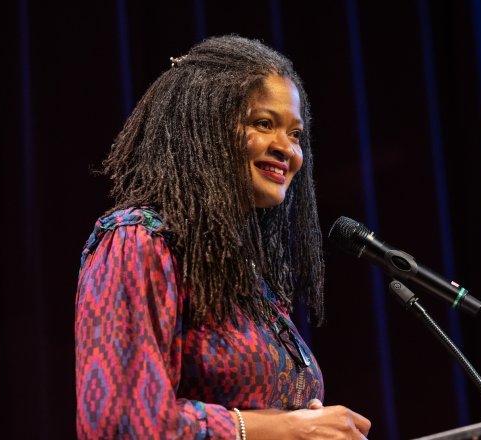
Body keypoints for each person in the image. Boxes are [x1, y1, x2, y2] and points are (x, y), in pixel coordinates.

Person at [74, 35, 372, 439]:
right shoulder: (139, 241)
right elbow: (122, 423)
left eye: (296, 134)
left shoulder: (239, 270)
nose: (288, 150)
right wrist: (283, 428)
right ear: (205, 128)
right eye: (264, 124)